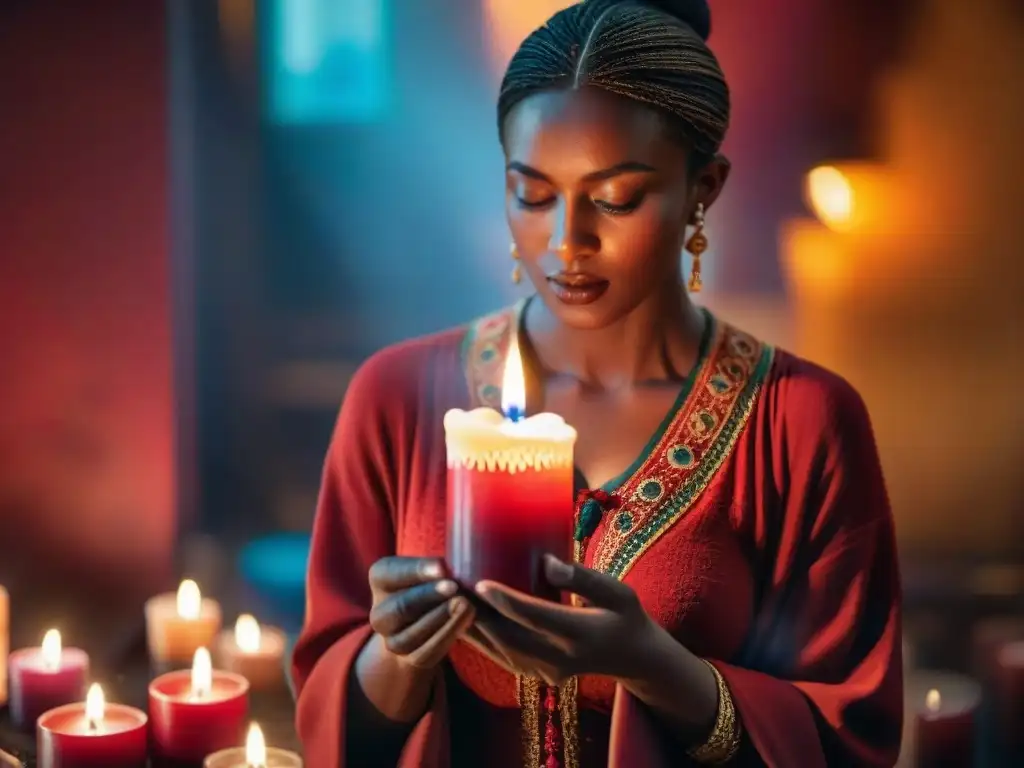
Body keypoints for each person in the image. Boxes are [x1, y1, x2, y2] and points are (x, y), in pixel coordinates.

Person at [291, 0, 904, 765]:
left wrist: (657, 667)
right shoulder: (396, 398)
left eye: (614, 199)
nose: (565, 242)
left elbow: (851, 736)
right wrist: (400, 656)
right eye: (534, 194)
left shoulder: (803, 423)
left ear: (702, 189)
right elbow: (328, 716)